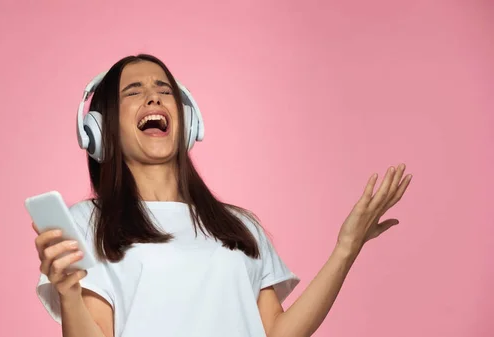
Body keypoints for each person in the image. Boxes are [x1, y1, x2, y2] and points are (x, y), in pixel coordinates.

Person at [31, 54, 412, 337]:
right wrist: (68, 294)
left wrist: (345, 250)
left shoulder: (237, 225)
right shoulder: (88, 223)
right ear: (100, 128)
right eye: (135, 91)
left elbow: (278, 333)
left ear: (188, 120)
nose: (153, 98)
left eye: (164, 89)